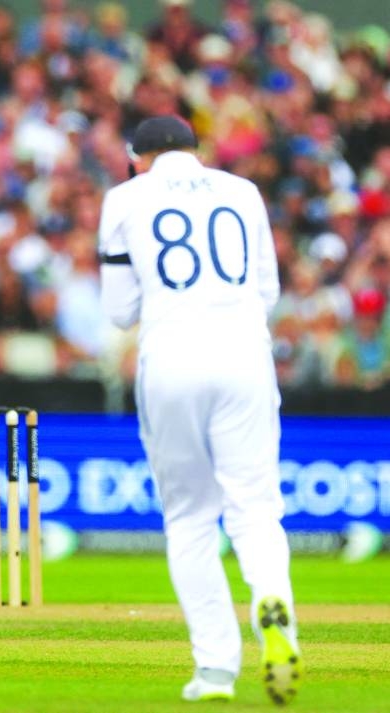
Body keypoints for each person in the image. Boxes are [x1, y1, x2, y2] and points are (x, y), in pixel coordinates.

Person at [98, 115, 303, 704]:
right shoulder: (244, 191)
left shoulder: (125, 198)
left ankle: (215, 669)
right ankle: (274, 608)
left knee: (190, 518)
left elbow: (119, 311)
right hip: (244, 355)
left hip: (171, 358)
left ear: (139, 158)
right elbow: (267, 291)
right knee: (256, 508)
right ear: (195, 149)